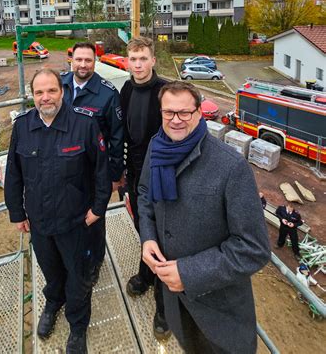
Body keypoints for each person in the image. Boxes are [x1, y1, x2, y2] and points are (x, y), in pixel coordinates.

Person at [138, 80, 270, 354]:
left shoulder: (231, 167)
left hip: (218, 312)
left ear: (199, 112)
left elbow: (254, 249)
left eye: (184, 113)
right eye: (168, 112)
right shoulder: (156, 146)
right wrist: (148, 237)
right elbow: (145, 193)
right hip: (174, 301)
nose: (175, 120)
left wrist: (188, 273)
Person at [5, 68, 111, 354]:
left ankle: (77, 325)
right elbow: (13, 173)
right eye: (39, 92)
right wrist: (17, 212)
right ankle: (54, 302)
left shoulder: (84, 124)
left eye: (51, 90)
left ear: (62, 92)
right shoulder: (23, 126)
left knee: (78, 276)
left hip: (76, 222)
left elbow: (102, 171)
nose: (45, 97)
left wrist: (98, 209)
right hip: (39, 223)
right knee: (51, 271)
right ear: (32, 96)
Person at [61, 42, 124, 284]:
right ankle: (73, 257)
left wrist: (114, 175)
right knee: (69, 213)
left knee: (95, 218)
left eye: (88, 60)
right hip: (65, 166)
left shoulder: (108, 94)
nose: (83, 64)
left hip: (94, 169)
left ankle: (96, 260)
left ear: (95, 62)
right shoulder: (61, 86)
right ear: (71, 60)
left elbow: (117, 138)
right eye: (79, 59)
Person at [119, 36, 168, 338]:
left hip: (160, 169)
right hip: (136, 168)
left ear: (152, 60)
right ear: (128, 62)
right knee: (142, 225)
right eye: (133, 59)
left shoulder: (164, 91)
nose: (138, 64)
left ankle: (164, 307)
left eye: (143, 58)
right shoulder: (126, 89)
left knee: (163, 232)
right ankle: (145, 273)